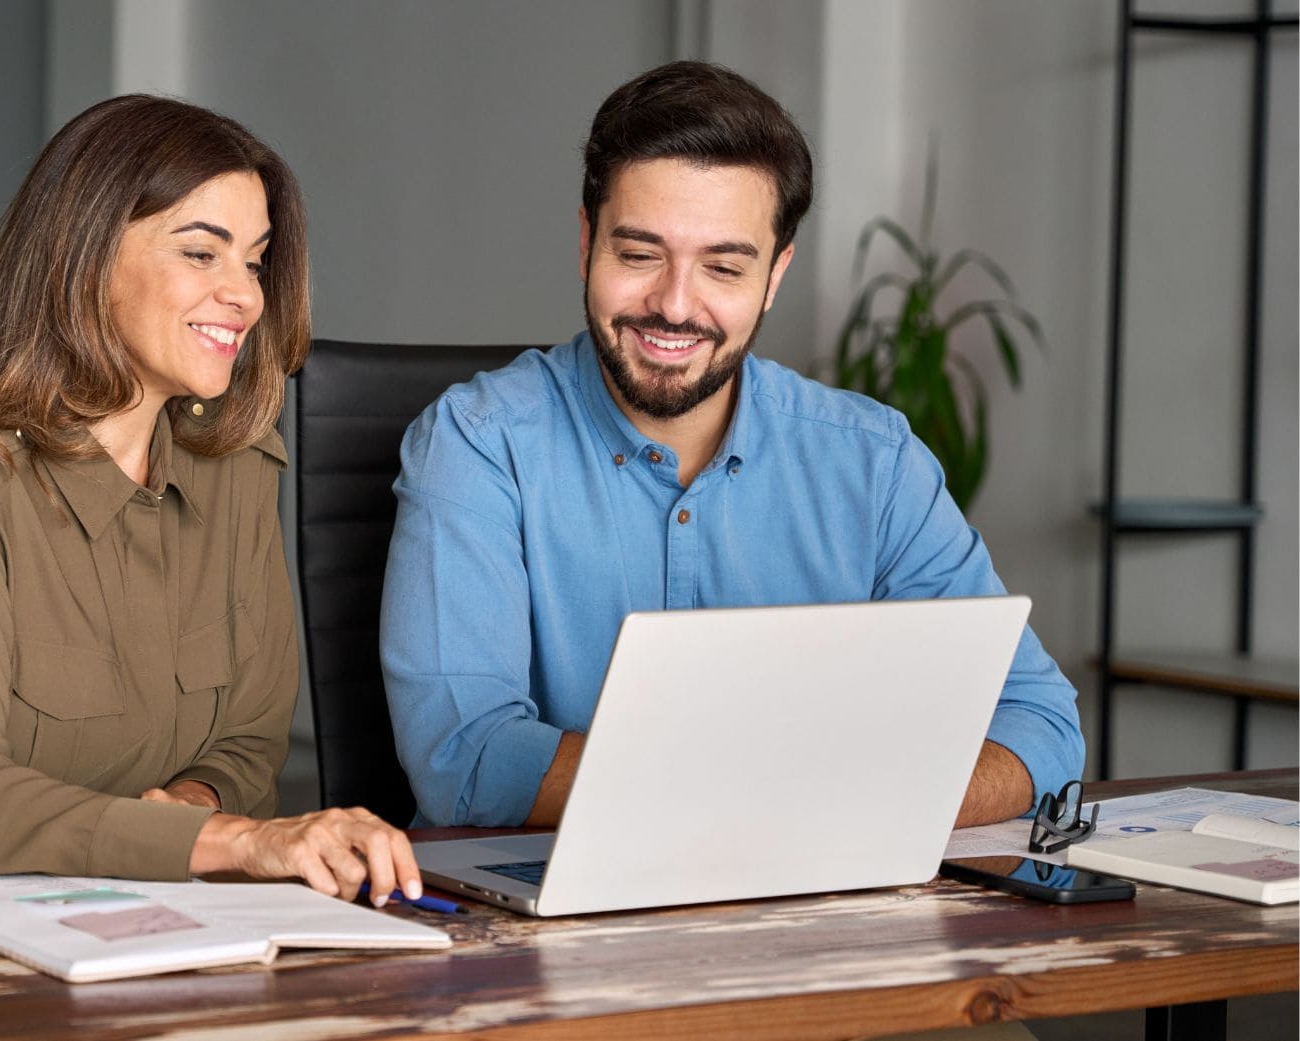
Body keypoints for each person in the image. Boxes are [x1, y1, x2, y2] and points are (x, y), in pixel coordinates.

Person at [380, 61, 1084, 830]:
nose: (676, 305)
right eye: (640, 254)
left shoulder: (874, 463)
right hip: (525, 923)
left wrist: (802, 809)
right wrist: (791, 795)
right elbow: (467, 761)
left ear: (776, 273)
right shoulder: (477, 443)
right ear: (586, 244)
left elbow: (1038, 725)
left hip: (821, 920)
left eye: (723, 265)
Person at [0, 95, 421, 906]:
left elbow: (249, 741)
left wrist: (190, 813)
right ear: (86, 259)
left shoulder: (241, 467)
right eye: (201, 253)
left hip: (114, 883)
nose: (245, 295)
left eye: (253, 260)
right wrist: (237, 839)